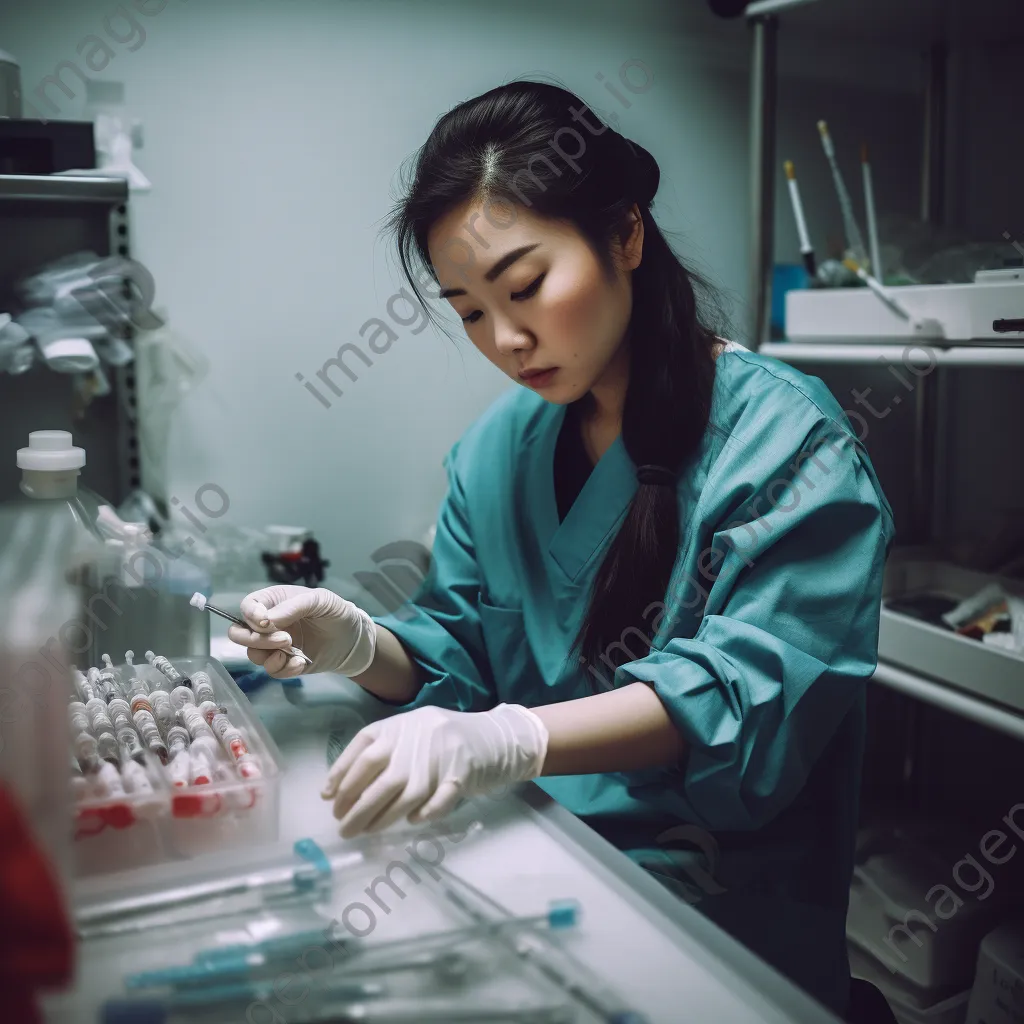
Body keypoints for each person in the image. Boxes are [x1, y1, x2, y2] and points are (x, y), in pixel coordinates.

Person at [230, 80, 895, 1017]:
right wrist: (358, 644)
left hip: (718, 930)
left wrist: (515, 735)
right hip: (527, 857)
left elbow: (749, 700)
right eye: (467, 312)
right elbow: (459, 652)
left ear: (624, 235)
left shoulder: (789, 448)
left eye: (526, 286)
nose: (505, 340)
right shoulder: (498, 451)